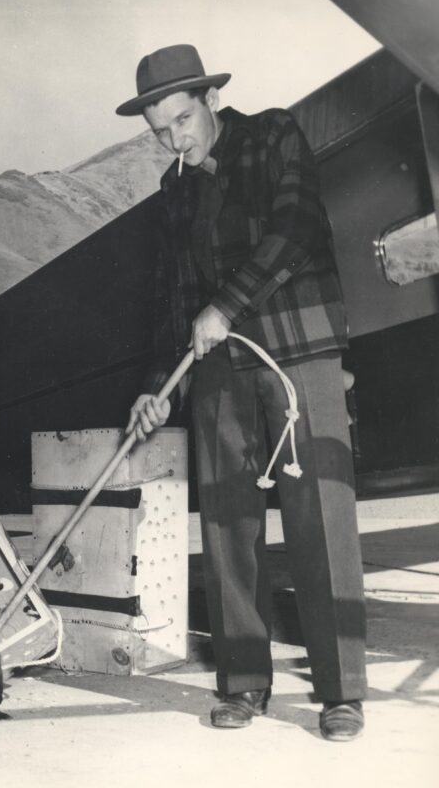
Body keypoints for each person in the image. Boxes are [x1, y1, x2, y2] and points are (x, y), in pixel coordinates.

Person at [117, 44, 366, 741]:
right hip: (220, 369)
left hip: (300, 351)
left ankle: (341, 693)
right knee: (227, 525)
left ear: (211, 100)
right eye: (160, 130)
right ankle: (245, 683)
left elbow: (295, 230)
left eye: (184, 119)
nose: (176, 139)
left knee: (321, 519)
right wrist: (151, 389)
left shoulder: (276, 134)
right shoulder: (175, 190)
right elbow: (172, 300)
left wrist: (225, 305)